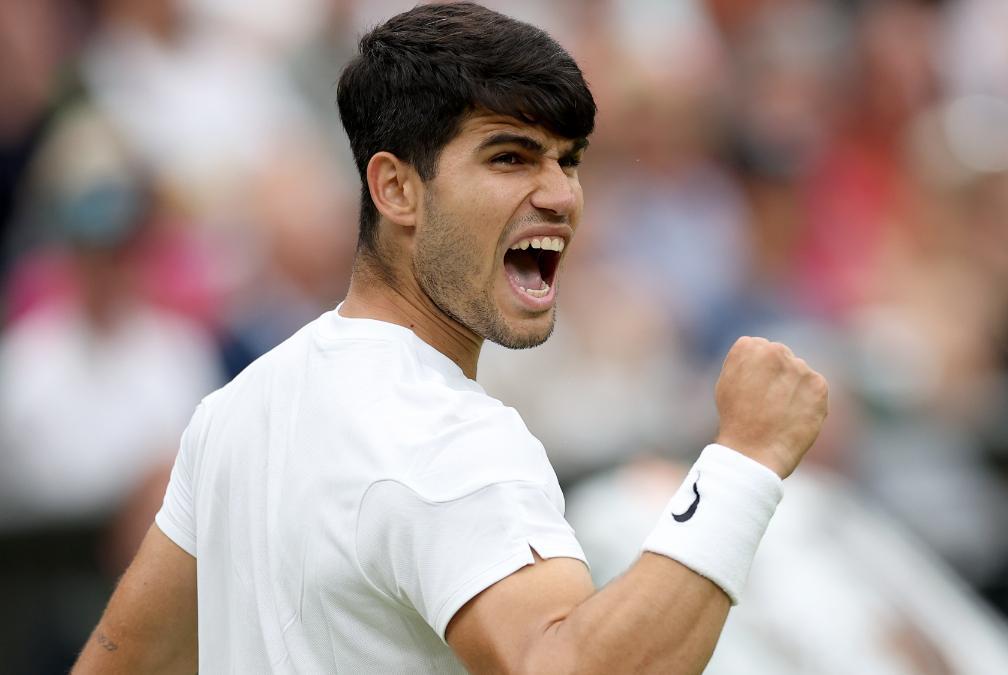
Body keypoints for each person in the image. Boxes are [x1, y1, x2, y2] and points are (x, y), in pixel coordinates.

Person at [71, 3, 828, 673]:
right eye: (510, 156)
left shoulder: (234, 410)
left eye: (568, 161)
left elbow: (122, 662)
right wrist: (745, 460)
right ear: (395, 187)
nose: (561, 195)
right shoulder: (449, 436)